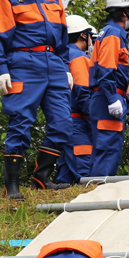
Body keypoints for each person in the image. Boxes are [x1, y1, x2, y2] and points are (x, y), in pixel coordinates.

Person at [0, 0, 72, 196]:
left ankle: (42, 176)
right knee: (21, 121)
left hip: (53, 63)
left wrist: (66, 66)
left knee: (62, 122)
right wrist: (1, 68)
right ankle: (11, 184)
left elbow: (63, 34)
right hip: (23, 63)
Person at [88, 0, 129, 178]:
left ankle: (95, 190)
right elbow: (106, 68)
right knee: (108, 149)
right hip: (107, 96)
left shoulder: (110, 33)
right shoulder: (113, 33)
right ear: (124, 12)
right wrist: (112, 97)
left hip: (105, 96)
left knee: (104, 148)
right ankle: (98, 196)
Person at [56, 15, 97, 185]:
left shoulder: (60, 57)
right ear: (83, 35)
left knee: (64, 173)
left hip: (62, 120)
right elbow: (82, 90)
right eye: (90, 37)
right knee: (84, 173)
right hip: (78, 125)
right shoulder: (78, 57)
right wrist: (96, 118)